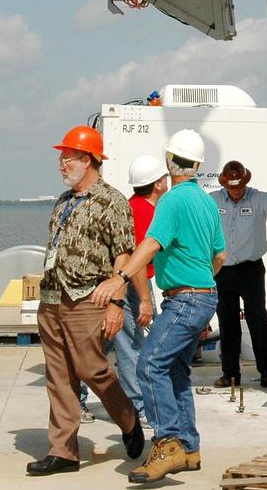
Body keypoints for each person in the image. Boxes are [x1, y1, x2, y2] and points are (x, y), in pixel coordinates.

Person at [94, 129, 224, 484]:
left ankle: (167, 445)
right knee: (176, 372)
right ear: (198, 164)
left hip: (185, 298)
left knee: (149, 365)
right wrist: (201, 284)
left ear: (170, 162)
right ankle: (190, 448)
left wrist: (119, 278)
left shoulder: (171, 201)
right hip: (204, 295)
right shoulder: (207, 201)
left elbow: (151, 243)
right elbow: (221, 255)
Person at [27, 125, 144, 477]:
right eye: (61, 160)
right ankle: (63, 451)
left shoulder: (113, 201)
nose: (61, 166)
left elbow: (123, 256)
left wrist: (116, 304)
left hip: (88, 299)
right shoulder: (63, 202)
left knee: (92, 369)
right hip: (52, 300)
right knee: (59, 377)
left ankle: (127, 419)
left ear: (88, 160)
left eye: (67, 159)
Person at [209, 160, 267, 388]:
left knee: (258, 319)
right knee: (227, 322)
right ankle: (230, 374)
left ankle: (265, 371)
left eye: (240, 187)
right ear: (225, 185)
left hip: (251, 269)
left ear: (246, 182)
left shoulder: (258, 199)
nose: (237, 191)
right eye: (232, 187)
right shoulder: (213, 201)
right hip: (223, 270)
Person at [114, 154, 169, 420]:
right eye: (164, 178)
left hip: (137, 284)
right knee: (133, 345)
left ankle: (80, 397)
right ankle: (138, 407)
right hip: (135, 285)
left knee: (110, 344)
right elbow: (135, 258)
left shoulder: (133, 206)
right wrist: (145, 299)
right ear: (157, 184)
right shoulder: (144, 212)